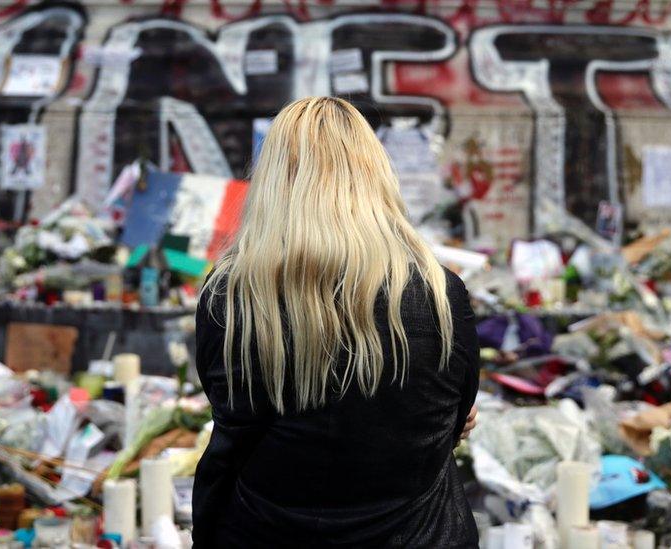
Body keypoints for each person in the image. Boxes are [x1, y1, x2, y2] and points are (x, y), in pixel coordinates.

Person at [192, 97, 481, 548]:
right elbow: (451, 421)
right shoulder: (442, 294)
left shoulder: (231, 298)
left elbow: (233, 432)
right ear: (376, 174)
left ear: (273, 181)